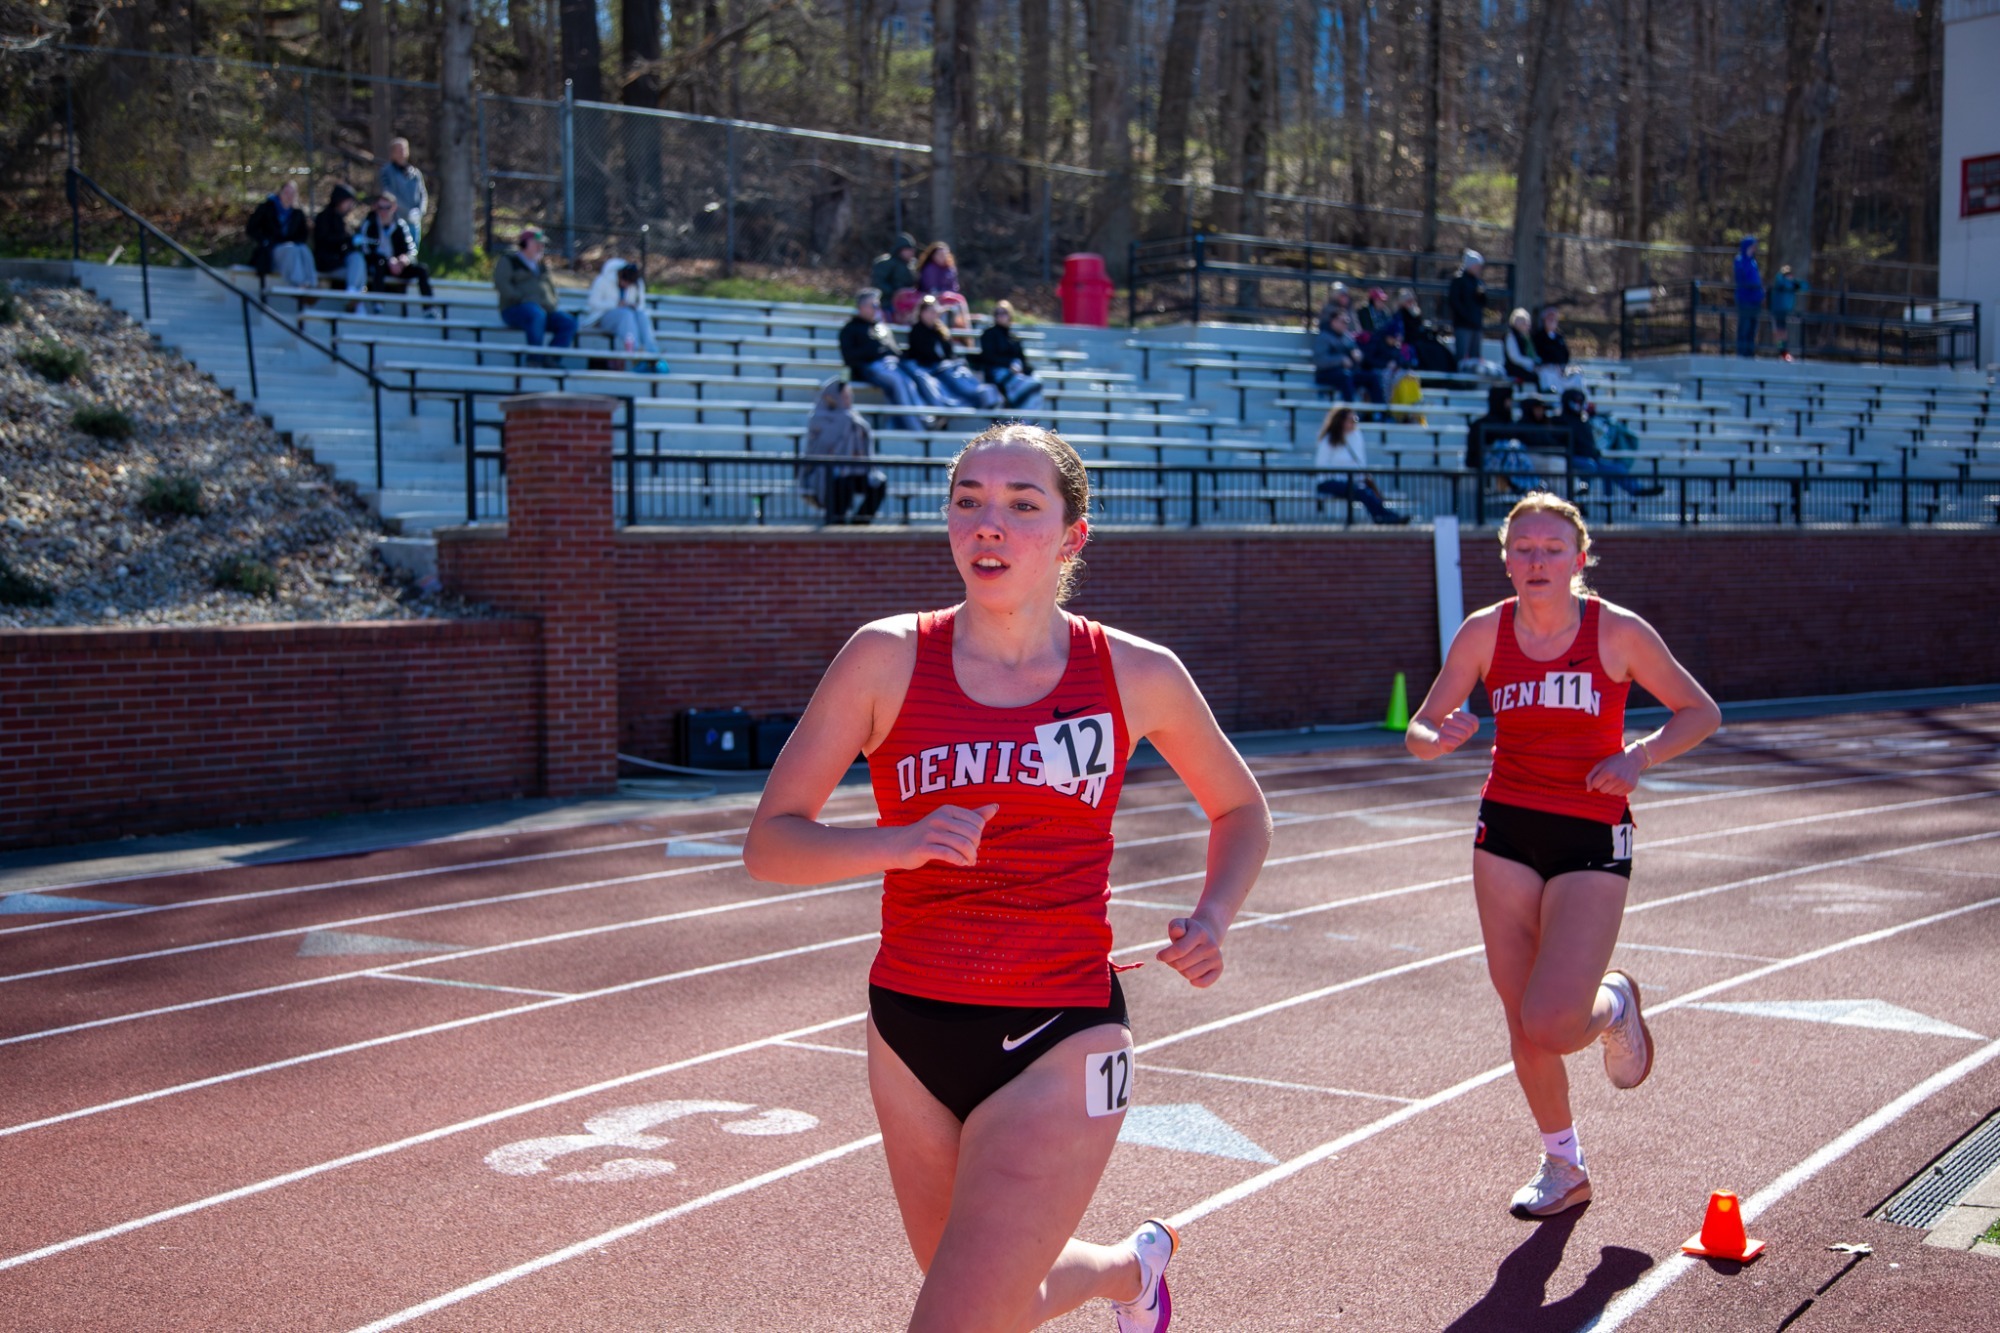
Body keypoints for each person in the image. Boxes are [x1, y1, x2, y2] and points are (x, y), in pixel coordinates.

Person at [742, 422, 1272, 1333]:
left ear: (1072, 535)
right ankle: (1127, 1271)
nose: (989, 524)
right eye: (969, 501)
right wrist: (895, 842)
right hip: (910, 1031)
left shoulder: (1136, 673)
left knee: (953, 1321)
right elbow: (770, 843)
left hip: (1063, 1030)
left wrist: (1215, 915)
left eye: (1022, 506)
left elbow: (1242, 810)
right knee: (997, 1297)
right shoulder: (885, 657)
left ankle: (1122, 1271)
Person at [1404, 493, 1719, 1218]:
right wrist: (1437, 736)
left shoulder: (1618, 632)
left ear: (1579, 559)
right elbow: (1418, 727)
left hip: (1591, 830)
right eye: (1522, 549)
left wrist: (1640, 755)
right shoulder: (1485, 631)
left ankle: (1614, 1004)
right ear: (1506, 559)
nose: (1535, 561)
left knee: (1552, 1017)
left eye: (1551, 549)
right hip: (1507, 830)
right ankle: (1562, 1161)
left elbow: (1700, 711)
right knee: (1522, 1019)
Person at [840, 287, 947, 434]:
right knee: (899, 381)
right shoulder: (850, 329)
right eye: (874, 305)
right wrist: (875, 350)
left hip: (893, 364)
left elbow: (894, 351)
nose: (877, 309)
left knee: (914, 376)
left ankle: (928, 415)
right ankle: (918, 426)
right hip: (871, 367)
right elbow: (850, 357)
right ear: (862, 307)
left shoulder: (881, 327)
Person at [799, 377, 887, 525]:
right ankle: (835, 524)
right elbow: (820, 447)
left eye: (850, 395)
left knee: (878, 484)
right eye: (845, 395)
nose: (850, 399)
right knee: (842, 482)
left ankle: (860, 524)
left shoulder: (854, 418)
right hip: (826, 474)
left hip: (856, 470)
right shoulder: (819, 418)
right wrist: (844, 420)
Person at [493, 228, 579, 366]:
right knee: (536, 313)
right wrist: (522, 299)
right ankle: (534, 359)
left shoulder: (541, 266)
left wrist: (551, 303)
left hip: (544, 311)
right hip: (515, 310)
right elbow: (502, 284)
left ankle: (552, 358)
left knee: (568, 322)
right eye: (536, 243)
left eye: (542, 244)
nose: (541, 247)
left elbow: (551, 289)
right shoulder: (509, 260)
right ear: (524, 243)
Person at [1558, 388, 1663, 498]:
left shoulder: (1583, 421)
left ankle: (1638, 490)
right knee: (1588, 465)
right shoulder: (1560, 421)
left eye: (1581, 402)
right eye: (1576, 401)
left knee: (1617, 468)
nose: (1579, 405)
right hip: (1573, 459)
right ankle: (1581, 497)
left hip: (1592, 459)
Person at [1314, 405, 1410, 525]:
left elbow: (1360, 462)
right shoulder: (1328, 439)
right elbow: (1321, 467)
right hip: (1329, 482)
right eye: (1351, 420)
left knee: (1371, 492)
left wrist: (1362, 478)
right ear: (1341, 421)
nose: (1355, 423)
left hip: (1352, 480)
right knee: (1361, 491)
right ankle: (1384, 518)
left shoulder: (1356, 436)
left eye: (1356, 419)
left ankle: (1388, 517)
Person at [908, 295, 1002, 410]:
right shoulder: (917, 331)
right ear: (921, 313)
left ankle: (987, 395)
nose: (932, 314)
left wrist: (952, 362)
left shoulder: (940, 331)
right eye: (928, 311)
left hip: (947, 366)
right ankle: (982, 396)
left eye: (934, 311)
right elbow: (923, 355)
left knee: (963, 372)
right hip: (934, 369)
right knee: (958, 381)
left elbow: (949, 353)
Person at [356, 193, 436, 311]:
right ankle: (378, 303)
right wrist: (388, 261)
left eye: (387, 207)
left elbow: (411, 249)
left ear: (393, 207)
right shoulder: (369, 223)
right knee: (379, 263)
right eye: (380, 207)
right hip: (378, 264)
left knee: (422, 270)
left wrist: (405, 259)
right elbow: (365, 249)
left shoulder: (400, 225)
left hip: (398, 266)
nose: (383, 211)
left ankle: (429, 309)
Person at [584, 257, 666, 371]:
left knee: (642, 314)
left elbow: (641, 305)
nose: (626, 285)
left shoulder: (637, 283)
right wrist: (616, 304)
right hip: (603, 317)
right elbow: (593, 303)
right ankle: (636, 353)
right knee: (626, 314)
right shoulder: (603, 279)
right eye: (625, 281)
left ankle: (652, 352)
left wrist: (633, 306)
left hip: (629, 318)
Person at [1466, 384, 1544, 494]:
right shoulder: (1481, 424)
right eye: (1508, 400)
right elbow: (1474, 456)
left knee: (1516, 447)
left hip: (1508, 462)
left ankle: (1531, 485)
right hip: (1483, 463)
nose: (1510, 404)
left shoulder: (1510, 423)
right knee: (1506, 447)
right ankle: (1524, 487)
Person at [976, 300, 1047, 412]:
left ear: (1010, 315)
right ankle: (1017, 412)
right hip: (998, 374)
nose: (1000, 316)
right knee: (1027, 386)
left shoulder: (1013, 337)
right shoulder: (989, 334)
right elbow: (988, 357)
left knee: (1036, 383)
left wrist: (1023, 369)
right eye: (997, 313)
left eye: (1004, 312)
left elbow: (1022, 360)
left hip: (1016, 374)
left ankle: (1027, 420)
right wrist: (1009, 365)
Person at [246, 179, 313, 288]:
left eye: (292, 193)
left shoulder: (297, 213)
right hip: (271, 249)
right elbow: (251, 228)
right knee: (291, 250)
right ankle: (298, 284)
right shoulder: (266, 208)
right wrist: (264, 240)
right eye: (286, 193)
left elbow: (303, 235)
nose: (289, 196)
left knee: (303, 249)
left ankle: (311, 283)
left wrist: (294, 242)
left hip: (291, 248)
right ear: (280, 193)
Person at [311, 183, 368, 301]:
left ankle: (354, 295)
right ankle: (355, 299)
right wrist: (347, 239)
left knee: (357, 259)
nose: (350, 206)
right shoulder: (324, 218)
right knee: (357, 270)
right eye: (348, 202)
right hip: (327, 264)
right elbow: (325, 241)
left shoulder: (343, 220)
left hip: (340, 262)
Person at [377, 136, 429, 251]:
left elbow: (423, 193)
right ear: (392, 153)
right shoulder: (386, 172)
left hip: (414, 221)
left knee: (413, 253)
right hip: (396, 220)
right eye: (399, 150)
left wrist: (420, 211)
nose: (402, 152)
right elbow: (388, 193)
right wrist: (407, 210)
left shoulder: (415, 173)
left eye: (405, 149)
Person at [1312, 308, 1366, 400]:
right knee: (1345, 376)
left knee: (1372, 377)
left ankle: (1379, 413)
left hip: (1347, 373)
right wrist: (1340, 360)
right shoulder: (1324, 337)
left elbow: (1355, 350)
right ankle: (1348, 411)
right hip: (1326, 374)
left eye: (1347, 322)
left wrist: (1358, 355)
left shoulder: (1347, 337)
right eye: (1343, 322)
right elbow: (1319, 361)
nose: (1345, 325)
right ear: (1333, 322)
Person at [1532, 306, 1586, 397]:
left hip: (1561, 370)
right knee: (1548, 375)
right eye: (1549, 319)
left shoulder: (1559, 337)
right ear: (1544, 320)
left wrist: (1561, 366)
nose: (1552, 321)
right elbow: (1538, 355)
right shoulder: (1538, 337)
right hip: (1547, 369)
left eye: (1554, 319)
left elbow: (1565, 355)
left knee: (1577, 375)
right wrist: (1550, 365)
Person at [915, 240, 972, 326]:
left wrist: (948, 294)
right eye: (939, 254)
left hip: (947, 296)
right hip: (930, 296)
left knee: (960, 301)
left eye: (944, 254)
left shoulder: (949, 269)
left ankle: (965, 329)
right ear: (933, 256)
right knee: (941, 307)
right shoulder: (929, 269)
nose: (942, 257)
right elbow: (930, 287)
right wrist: (942, 294)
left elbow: (953, 287)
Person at [1449, 250, 1488, 369]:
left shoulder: (1478, 282)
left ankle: (1473, 382)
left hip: (1476, 324)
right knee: (1462, 355)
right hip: (1463, 324)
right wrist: (1466, 315)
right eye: (1476, 266)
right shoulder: (1459, 280)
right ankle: (1459, 380)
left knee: (1475, 356)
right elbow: (1454, 302)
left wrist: (1482, 295)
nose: (1479, 269)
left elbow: (1483, 303)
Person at [872, 232, 920, 319]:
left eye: (912, 250)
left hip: (908, 305)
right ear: (900, 250)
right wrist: (895, 293)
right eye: (908, 250)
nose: (911, 253)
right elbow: (878, 282)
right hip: (887, 303)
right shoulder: (886, 263)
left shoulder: (912, 266)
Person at [1733, 236, 1764, 359]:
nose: (1754, 249)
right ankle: (1741, 352)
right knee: (1744, 326)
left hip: (1755, 300)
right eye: (1753, 246)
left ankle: (1750, 352)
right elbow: (1743, 275)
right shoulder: (1740, 260)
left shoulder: (1753, 261)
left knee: (1752, 327)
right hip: (1745, 299)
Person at [1769, 264, 1805, 361]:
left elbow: (1805, 286)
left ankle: (1783, 351)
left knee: (1782, 332)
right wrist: (1793, 283)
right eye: (1787, 274)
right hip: (1777, 311)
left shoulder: (1792, 284)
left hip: (1784, 312)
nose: (1790, 276)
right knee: (1779, 332)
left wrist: (1796, 283)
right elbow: (1782, 282)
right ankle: (1781, 351)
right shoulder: (1781, 282)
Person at [1502, 308, 1540, 387]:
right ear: (1516, 323)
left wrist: (1538, 362)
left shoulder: (1526, 337)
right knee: (1535, 377)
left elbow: (1533, 354)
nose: (1527, 326)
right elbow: (1514, 357)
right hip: (1514, 368)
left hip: (1526, 367)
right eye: (1524, 323)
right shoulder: (1511, 336)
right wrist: (1531, 363)